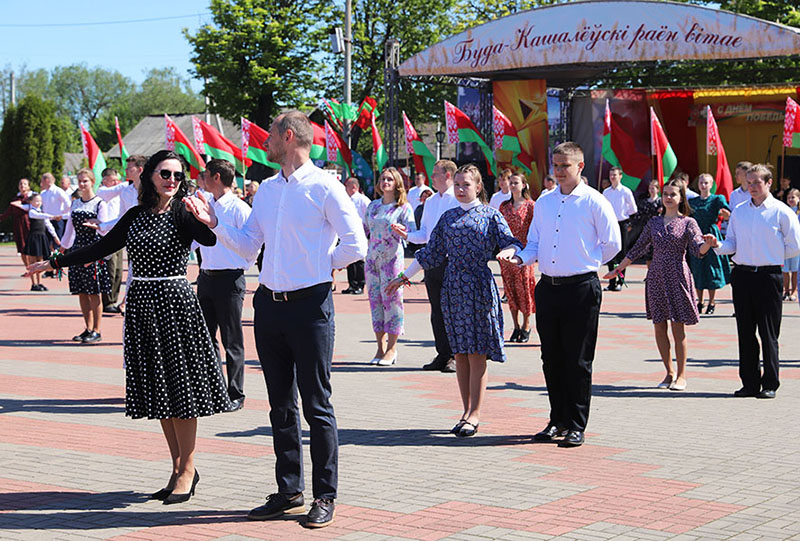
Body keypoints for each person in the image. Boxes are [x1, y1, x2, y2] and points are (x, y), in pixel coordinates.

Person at [184, 110, 367, 528]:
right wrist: (213, 224)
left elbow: (356, 244)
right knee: (280, 405)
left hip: (311, 306)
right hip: (268, 304)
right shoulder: (266, 190)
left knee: (317, 404)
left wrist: (320, 268)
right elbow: (249, 246)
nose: (265, 142)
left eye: (270, 135)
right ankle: (289, 489)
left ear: (288, 137)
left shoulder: (325, 187)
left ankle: (325, 494)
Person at [28, 150, 235, 504]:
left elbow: (211, 241)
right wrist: (56, 260)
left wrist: (208, 220)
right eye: (165, 174)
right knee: (159, 391)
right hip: (142, 306)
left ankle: (188, 468)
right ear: (150, 176)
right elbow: (103, 247)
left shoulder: (184, 212)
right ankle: (177, 467)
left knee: (180, 390)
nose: (171, 180)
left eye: (177, 175)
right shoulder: (136, 215)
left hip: (174, 304)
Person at [387, 164, 522, 438]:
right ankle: (465, 411)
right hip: (453, 287)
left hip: (480, 287)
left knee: (477, 351)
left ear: (478, 187)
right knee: (460, 351)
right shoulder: (447, 217)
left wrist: (509, 253)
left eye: (466, 185)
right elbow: (430, 253)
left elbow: (512, 241)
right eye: (457, 184)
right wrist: (403, 277)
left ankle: (476, 413)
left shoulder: (489, 215)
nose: (460, 189)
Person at [500, 142, 620, 447]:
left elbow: (612, 244)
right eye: (555, 165)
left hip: (581, 288)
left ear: (580, 167)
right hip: (549, 288)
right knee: (551, 358)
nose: (559, 170)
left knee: (578, 360)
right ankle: (557, 419)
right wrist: (520, 258)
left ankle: (577, 424)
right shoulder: (545, 202)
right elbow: (535, 243)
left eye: (565, 165)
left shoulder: (594, 201)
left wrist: (586, 261)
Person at [605, 180, 715, 391]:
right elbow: (637, 248)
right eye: (665, 194)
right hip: (656, 276)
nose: (668, 197)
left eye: (673, 194)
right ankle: (669, 372)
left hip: (678, 275)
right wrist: (618, 270)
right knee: (659, 326)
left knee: (678, 328)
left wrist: (707, 245)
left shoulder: (688, 222)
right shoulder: (654, 222)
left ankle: (682, 375)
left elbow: (697, 248)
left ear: (681, 198)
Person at [709, 164, 800, 399]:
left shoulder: (781, 211)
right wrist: (717, 245)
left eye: (757, 182)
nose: (752, 187)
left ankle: (770, 383)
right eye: (749, 182)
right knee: (745, 332)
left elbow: (794, 246)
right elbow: (732, 243)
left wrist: (772, 256)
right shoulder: (739, 210)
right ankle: (749, 383)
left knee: (768, 333)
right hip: (742, 275)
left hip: (768, 276)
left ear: (769, 183)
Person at [195, 160, 255, 411]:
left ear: (216, 177)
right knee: (205, 337)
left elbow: (253, 245)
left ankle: (235, 392)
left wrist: (241, 266)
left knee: (232, 339)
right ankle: (210, 388)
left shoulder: (239, 208)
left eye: (206, 175)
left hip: (230, 278)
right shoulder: (206, 205)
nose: (203, 179)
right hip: (206, 277)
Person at [392, 160, 460, 373]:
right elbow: (425, 235)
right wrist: (407, 235)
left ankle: (457, 356)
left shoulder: (458, 199)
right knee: (437, 312)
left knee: (453, 311)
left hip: (452, 261)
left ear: (448, 175)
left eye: (436, 173)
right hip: (433, 262)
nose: (432, 177)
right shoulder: (430, 202)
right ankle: (443, 353)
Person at [364, 168, 415, 366]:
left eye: (390, 179)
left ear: (397, 183)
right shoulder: (373, 206)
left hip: (392, 261)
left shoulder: (403, 207)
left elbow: (412, 231)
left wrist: (402, 231)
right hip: (372, 260)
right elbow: (366, 229)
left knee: (392, 303)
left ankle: (392, 348)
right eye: (383, 179)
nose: (386, 182)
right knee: (375, 303)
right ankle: (380, 347)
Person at [59, 169, 111, 344]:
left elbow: (106, 230)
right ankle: (87, 328)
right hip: (77, 249)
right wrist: (62, 249)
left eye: (85, 181)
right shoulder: (75, 204)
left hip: (94, 249)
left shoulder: (99, 203)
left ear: (92, 182)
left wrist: (98, 227)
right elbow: (69, 231)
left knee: (94, 292)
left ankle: (97, 330)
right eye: (80, 181)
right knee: (81, 291)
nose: (82, 185)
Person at [498, 173, 536, 343]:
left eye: (516, 183)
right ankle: (515, 326)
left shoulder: (530, 206)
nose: (513, 185)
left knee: (525, 289)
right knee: (510, 289)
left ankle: (527, 325)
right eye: (510, 183)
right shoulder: (504, 206)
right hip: (506, 253)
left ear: (524, 185)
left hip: (525, 253)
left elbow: (536, 230)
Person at [688, 173, 731, 315]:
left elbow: (728, 211)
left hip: (711, 234)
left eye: (706, 182)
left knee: (712, 268)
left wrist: (726, 215)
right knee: (698, 268)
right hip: (697, 235)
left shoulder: (716, 199)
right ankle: (699, 301)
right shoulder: (693, 201)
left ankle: (712, 302)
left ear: (711, 185)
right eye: (701, 182)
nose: (703, 185)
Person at [95, 168, 125, 314]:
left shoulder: (118, 195)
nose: (115, 183)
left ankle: (113, 298)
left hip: (119, 234)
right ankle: (108, 301)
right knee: (110, 269)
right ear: (105, 179)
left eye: (116, 180)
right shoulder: (101, 194)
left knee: (118, 270)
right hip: (106, 235)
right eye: (112, 180)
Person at [603, 166, 637, 291]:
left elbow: (633, 209)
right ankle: (611, 282)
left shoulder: (626, 191)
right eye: (611, 175)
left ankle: (621, 281)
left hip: (622, 223)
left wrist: (629, 223)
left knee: (622, 254)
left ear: (620, 176)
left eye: (615, 175)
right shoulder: (606, 192)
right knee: (611, 253)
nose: (612, 177)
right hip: (610, 224)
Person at [20, 193, 61, 291]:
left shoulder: (42, 212)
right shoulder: (32, 212)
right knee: (32, 261)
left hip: (42, 237)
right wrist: (53, 216)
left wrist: (55, 237)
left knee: (40, 261)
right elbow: (40, 216)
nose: (39, 203)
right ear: (31, 202)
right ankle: (33, 283)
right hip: (34, 237)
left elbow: (49, 225)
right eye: (36, 201)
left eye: (40, 201)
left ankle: (39, 282)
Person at [343, 177, 370, 294]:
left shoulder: (362, 200)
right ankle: (352, 284)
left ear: (354, 187)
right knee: (349, 259)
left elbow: (370, 215)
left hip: (360, 233)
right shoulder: (347, 200)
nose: (345, 189)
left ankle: (360, 284)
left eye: (347, 186)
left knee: (359, 259)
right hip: (348, 232)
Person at [629, 179, 663, 269]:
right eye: (650, 188)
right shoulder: (645, 202)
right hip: (647, 229)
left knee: (657, 252)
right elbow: (639, 215)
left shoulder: (661, 202)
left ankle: (657, 272)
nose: (651, 190)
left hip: (658, 230)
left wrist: (662, 211)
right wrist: (633, 224)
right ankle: (650, 272)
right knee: (648, 253)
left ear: (658, 189)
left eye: (653, 188)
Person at [0, 178, 34, 268]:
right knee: (22, 248)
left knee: (31, 249)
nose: (22, 186)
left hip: (30, 226)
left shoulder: (32, 198)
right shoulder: (15, 199)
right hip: (18, 227)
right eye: (20, 184)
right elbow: (7, 213)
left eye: (25, 184)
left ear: (29, 186)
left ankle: (34, 268)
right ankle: (28, 268)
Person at [38, 172, 71, 242]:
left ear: (47, 181)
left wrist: (61, 213)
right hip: (46, 221)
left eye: (42, 181)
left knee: (58, 243)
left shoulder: (58, 191)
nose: (41, 183)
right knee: (47, 243)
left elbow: (68, 203)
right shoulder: (43, 193)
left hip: (56, 220)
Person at [782, 189, 800, 301]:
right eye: (789, 197)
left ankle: (794, 290)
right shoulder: (784, 211)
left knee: (795, 269)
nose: (791, 199)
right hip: (785, 243)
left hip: (796, 245)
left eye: (793, 197)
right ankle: (786, 290)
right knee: (785, 270)